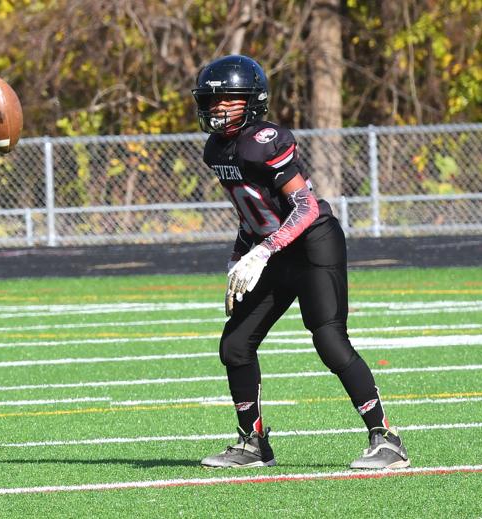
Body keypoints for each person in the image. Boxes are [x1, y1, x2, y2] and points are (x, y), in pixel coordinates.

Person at [190, 55, 409, 470]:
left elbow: (305, 207)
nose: (219, 108)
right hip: (272, 249)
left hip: (313, 245)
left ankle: (387, 438)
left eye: (230, 100)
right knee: (235, 346)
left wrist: (263, 251)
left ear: (253, 101)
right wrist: (238, 259)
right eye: (213, 100)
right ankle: (253, 443)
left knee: (329, 341)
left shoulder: (263, 141)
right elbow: (251, 212)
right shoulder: (216, 149)